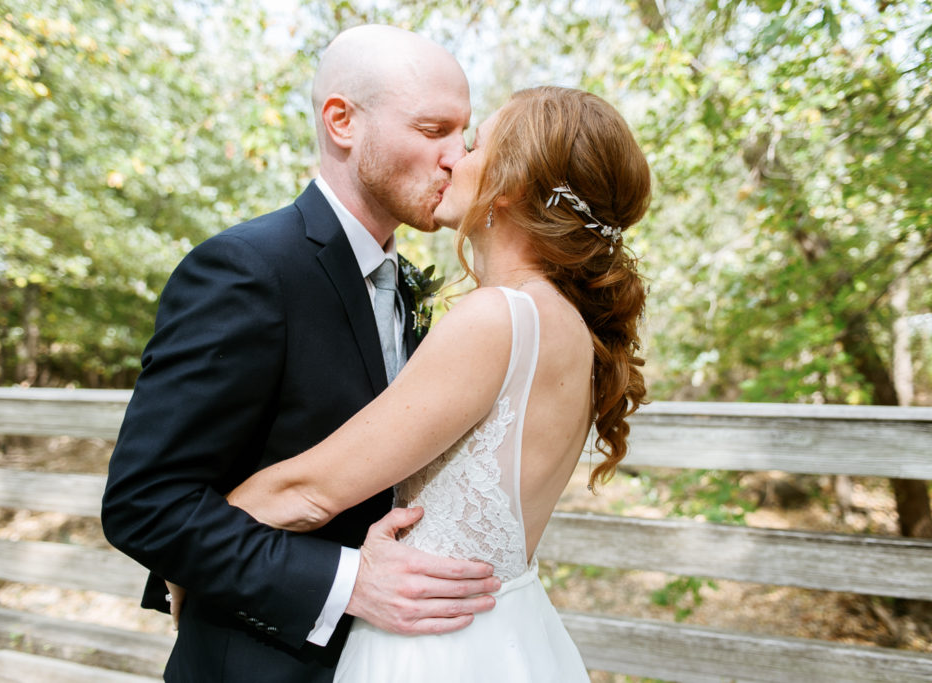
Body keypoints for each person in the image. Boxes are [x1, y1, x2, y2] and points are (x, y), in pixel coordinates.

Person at [100, 25, 502, 682]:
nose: (458, 157)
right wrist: (349, 582)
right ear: (342, 122)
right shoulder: (247, 270)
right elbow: (145, 504)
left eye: (465, 133)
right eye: (434, 130)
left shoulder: (403, 287)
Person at [215, 85, 651, 681]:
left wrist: (188, 561)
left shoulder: (498, 317)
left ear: (512, 184)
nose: (452, 159)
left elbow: (308, 491)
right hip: (510, 633)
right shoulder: (570, 325)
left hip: (436, 650)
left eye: (472, 146)